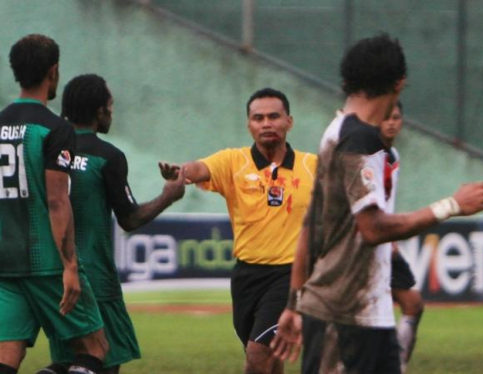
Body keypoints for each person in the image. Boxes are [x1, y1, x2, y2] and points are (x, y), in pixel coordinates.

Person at [270, 34, 483, 373]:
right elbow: (373, 227)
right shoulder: (358, 137)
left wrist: (294, 303)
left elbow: (311, 225)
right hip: (344, 314)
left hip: (366, 312)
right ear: (399, 83)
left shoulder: (338, 130)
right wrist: (452, 205)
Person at [159, 88, 317, 374]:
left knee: (258, 354)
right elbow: (199, 168)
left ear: (289, 122)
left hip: (290, 275)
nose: (266, 123)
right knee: (270, 357)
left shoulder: (312, 166)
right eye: (258, 118)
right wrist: (180, 172)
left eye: (273, 116)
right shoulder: (234, 161)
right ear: (249, 125)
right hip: (246, 277)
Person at [37, 74, 186, 374]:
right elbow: (130, 218)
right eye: (110, 105)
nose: (111, 112)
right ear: (99, 112)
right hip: (95, 276)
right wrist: (169, 195)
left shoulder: (48, 149)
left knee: (69, 359)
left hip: (54, 272)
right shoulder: (108, 156)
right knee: (101, 360)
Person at [0, 35, 108, 374]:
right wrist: (70, 267)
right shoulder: (55, 128)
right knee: (95, 348)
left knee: (7, 355)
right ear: (54, 71)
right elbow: (57, 200)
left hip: (5, 263)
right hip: (45, 262)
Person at [380, 101, 424, 373]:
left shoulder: (392, 155)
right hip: (367, 245)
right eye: (386, 117)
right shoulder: (366, 153)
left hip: (385, 243)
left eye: (396, 117)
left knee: (413, 305)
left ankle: (397, 364)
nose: (392, 122)